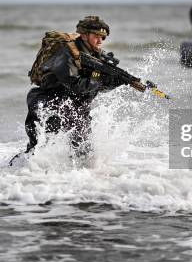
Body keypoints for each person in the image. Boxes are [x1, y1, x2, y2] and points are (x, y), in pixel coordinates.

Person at [10, 16, 124, 166]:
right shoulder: (66, 53)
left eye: (103, 37)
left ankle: (74, 183)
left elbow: (96, 86)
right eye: (96, 36)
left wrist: (117, 81)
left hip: (75, 106)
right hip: (49, 103)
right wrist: (98, 76)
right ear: (84, 35)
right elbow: (76, 85)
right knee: (36, 151)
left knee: (85, 154)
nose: (100, 41)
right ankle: (12, 174)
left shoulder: (94, 55)